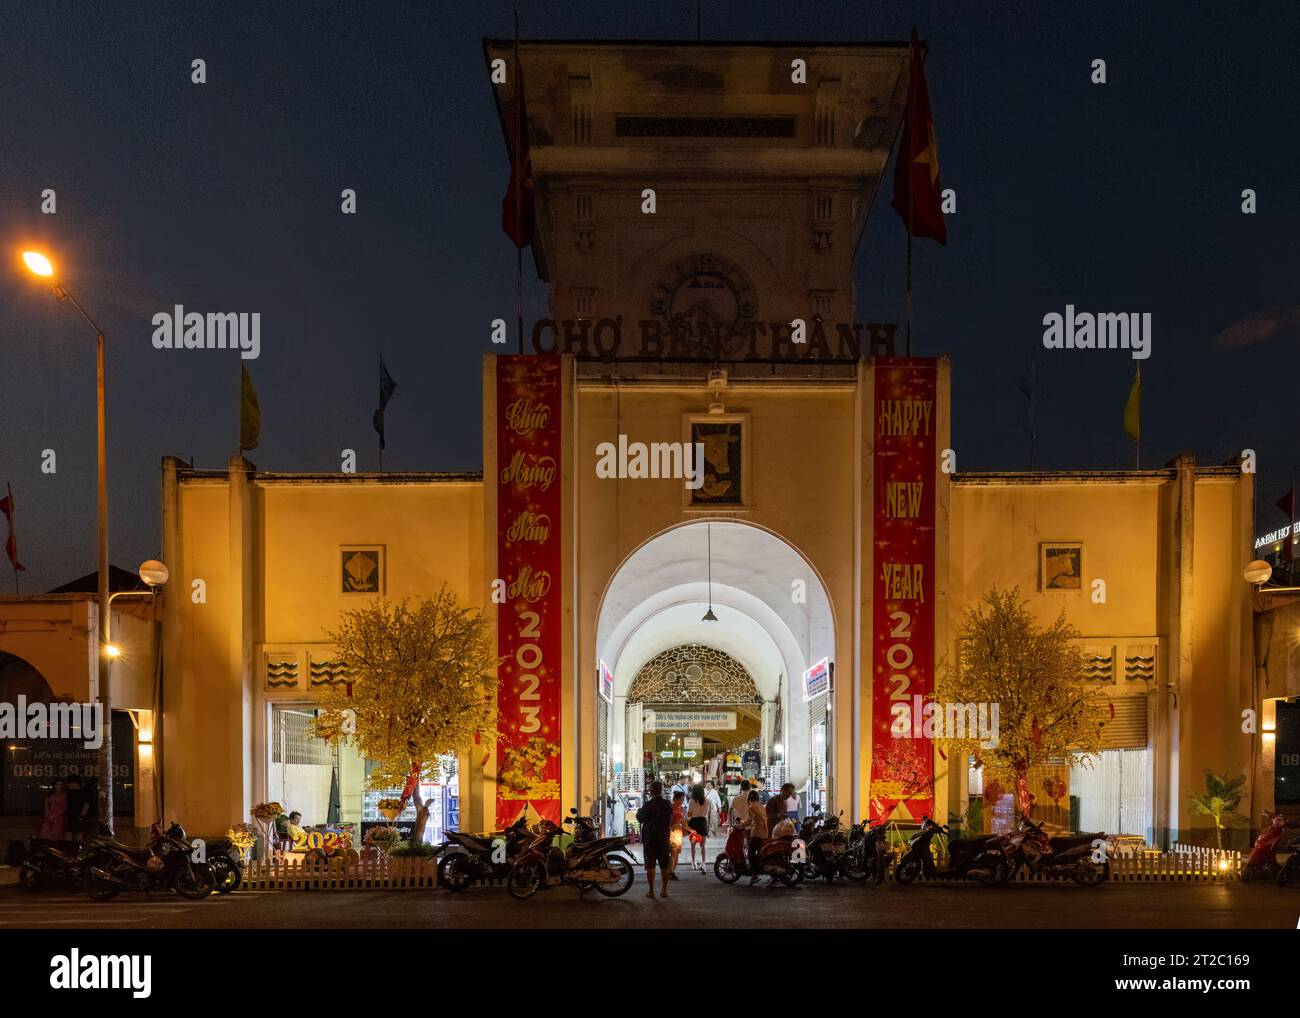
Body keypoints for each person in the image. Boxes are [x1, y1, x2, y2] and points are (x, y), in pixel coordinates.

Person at [636, 781, 673, 898]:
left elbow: (640, 818)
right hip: (663, 838)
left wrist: (639, 811)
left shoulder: (648, 804)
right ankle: (664, 890)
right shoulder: (667, 804)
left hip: (650, 838)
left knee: (650, 865)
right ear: (661, 790)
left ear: (652, 791)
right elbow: (670, 819)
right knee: (664, 865)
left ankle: (651, 891)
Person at [743, 790, 768, 885]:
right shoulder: (762, 806)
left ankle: (754, 875)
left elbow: (749, 821)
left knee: (750, 853)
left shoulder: (751, 807)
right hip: (765, 833)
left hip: (757, 833)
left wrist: (741, 825)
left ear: (749, 799)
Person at [686, 784, 710, 871]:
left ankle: (693, 862)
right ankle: (703, 863)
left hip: (694, 824)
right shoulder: (707, 800)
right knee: (703, 845)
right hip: (703, 823)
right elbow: (708, 813)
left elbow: (689, 814)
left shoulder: (691, 801)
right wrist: (708, 825)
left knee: (693, 844)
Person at [668, 790, 690, 879]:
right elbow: (668, 821)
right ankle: (671, 872)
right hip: (672, 832)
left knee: (677, 853)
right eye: (681, 799)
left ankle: (672, 871)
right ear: (675, 799)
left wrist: (690, 830)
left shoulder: (681, 809)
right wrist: (669, 829)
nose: (682, 801)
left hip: (679, 832)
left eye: (683, 799)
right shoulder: (671, 808)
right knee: (673, 852)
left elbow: (683, 821)